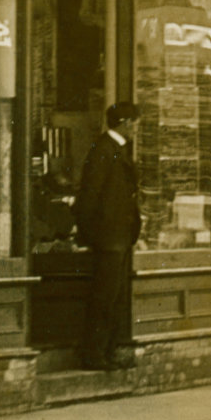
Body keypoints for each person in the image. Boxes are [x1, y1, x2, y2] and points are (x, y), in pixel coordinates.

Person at [74, 102, 142, 372]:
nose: (136, 128)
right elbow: (89, 196)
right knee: (104, 298)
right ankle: (94, 353)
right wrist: (93, 234)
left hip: (119, 237)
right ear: (124, 122)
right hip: (109, 238)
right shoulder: (104, 151)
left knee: (114, 298)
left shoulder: (115, 150)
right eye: (135, 123)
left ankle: (108, 350)